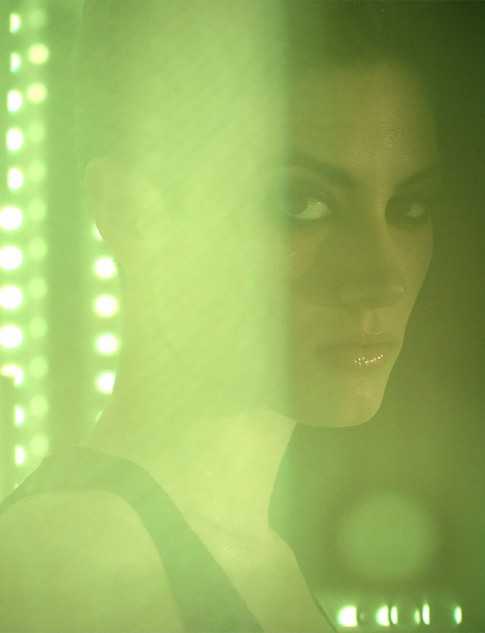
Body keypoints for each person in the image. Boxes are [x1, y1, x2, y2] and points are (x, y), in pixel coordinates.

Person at [0, 2, 442, 630]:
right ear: (128, 213)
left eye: (409, 207)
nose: (382, 278)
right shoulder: (79, 561)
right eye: (299, 201)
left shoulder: (262, 558)